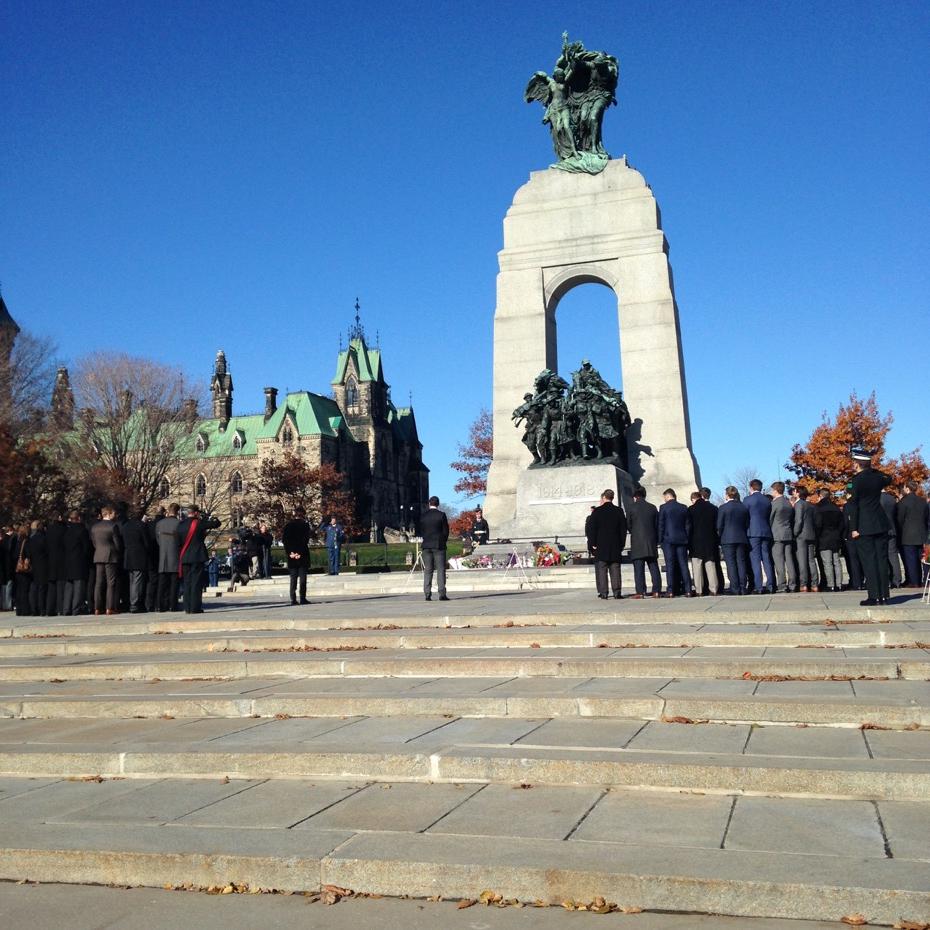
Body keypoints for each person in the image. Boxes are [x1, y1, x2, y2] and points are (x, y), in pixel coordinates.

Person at [848, 448, 893, 605]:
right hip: (880, 522)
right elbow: (889, 478)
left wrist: (853, 528)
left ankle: (873, 596)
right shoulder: (878, 477)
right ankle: (884, 595)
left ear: (858, 463)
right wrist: (871, 468)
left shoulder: (855, 480)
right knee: (881, 559)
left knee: (869, 560)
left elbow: (853, 505)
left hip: (863, 525)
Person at [176, 504, 221, 614]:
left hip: (185, 556)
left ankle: (187, 607)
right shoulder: (199, 523)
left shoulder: (180, 525)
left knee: (187, 582)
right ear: (196, 513)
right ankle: (195, 607)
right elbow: (217, 523)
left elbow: (178, 542)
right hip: (197, 556)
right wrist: (209, 516)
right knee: (196, 582)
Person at [586, 488, 627, 599]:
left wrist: (592, 544)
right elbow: (623, 529)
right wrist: (622, 543)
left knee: (602, 569)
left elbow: (591, 529)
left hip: (601, 545)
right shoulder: (619, 511)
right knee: (615, 569)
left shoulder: (597, 511)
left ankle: (604, 593)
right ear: (612, 498)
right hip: (615, 545)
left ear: (604, 497)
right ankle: (617, 592)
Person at [658, 488, 691, 597]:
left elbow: (661, 525)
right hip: (682, 540)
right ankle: (688, 589)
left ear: (667, 496)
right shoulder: (683, 507)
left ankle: (671, 590)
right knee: (683, 565)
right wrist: (686, 537)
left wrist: (660, 540)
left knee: (670, 565)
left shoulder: (663, 508)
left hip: (668, 540)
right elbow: (687, 525)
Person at [717, 486, 750, 595]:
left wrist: (720, 536)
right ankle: (742, 587)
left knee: (731, 564)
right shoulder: (743, 507)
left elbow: (719, 525)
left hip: (727, 538)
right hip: (741, 537)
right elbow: (747, 524)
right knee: (741, 562)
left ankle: (734, 587)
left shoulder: (722, 508)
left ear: (727, 495)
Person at [897, 480, 930, 588]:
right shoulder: (922, 501)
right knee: (923, 559)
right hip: (922, 533)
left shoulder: (903, 502)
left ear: (907, 488)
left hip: (908, 534)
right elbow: (926, 518)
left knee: (911, 560)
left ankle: (914, 581)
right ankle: (924, 579)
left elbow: (900, 519)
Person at [744, 479, 775, 594]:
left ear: (751, 487)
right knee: (766, 559)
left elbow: (745, 516)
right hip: (766, 531)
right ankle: (771, 585)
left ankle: (759, 586)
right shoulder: (767, 501)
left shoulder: (748, 500)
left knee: (755, 560)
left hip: (753, 532)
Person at [90, 506, 122, 616]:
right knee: (111, 582)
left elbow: (94, 543)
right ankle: (110, 607)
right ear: (108, 514)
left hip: (98, 555)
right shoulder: (113, 526)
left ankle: (97, 608)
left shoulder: (94, 527)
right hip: (111, 555)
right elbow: (117, 543)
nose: (115, 515)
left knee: (98, 583)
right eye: (113, 513)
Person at [813, 488, 846, 592]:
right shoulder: (836, 508)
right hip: (835, 537)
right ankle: (839, 584)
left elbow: (818, 525)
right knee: (836, 561)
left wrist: (817, 536)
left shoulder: (818, 508)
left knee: (827, 562)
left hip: (824, 537)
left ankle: (830, 584)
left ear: (821, 496)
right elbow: (842, 523)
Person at [688, 490, 719, 596]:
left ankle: (699, 590)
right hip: (710, 540)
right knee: (710, 565)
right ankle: (713, 589)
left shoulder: (691, 509)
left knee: (697, 567)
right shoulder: (713, 508)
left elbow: (689, 527)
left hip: (695, 541)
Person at [419, 496, 449, 601]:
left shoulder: (423, 516)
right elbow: (445, 531)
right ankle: (442, 593)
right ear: (438, 504)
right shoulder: (441, 515)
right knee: (440, 569)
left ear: (429, 503)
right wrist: (443, 541)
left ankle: (427, 593)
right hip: (438, 545)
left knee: (428, 570)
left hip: (426, 545)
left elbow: (421, 531)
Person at [769, 481, 797, 593]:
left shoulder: (775, 504)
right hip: (788, 533)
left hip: (777, 535)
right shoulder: (788, 503)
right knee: (789, 561)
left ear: (775, 490)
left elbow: (770, 519)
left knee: (779, 561)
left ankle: (782, 585)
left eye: (772, 490)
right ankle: (793, 584)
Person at [61, 511, 92, 615]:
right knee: (79, 586)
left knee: (69, 586)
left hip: (67, 561)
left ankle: (66, 608)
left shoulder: (67, 531)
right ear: (78, 518)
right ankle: (76, 608)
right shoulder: (82, 530)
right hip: (79, 561)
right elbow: (86, 548)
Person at [121, 508, 151, 613]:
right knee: (138, 581)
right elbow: (147, 543)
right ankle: (135, 603)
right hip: (139, 556)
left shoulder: (125, 526)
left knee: (132, 580)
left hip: (128, 555)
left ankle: (132, 601)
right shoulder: (141, 526)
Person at [792, 487, 819, 592]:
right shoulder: (810, 505)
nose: (793, 492)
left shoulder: (799, 504)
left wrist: (795, 533)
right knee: (811, 560)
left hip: (801, 536)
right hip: (811, 534)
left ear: (798, 493)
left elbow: (798, 521)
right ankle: (814, 584)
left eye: (795, 491)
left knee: (802, 561)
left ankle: (803, 584)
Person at [283, 507, 311, 605]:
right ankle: (302, 598)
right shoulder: (305, 525)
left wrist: (291, 553)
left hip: (292, 555)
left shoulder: (288, 526)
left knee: (293, 578)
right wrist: (299, 553)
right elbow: (304, 541)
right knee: (303, 578)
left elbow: (285, 541)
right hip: (302, 555)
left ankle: (293, 598)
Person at [156, 503, 181, 612]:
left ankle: (160, 605)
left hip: (163, 555)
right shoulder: (179, 524)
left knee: (162, 583)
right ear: (177, 512)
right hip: (175, 555)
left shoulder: (159, 524)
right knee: (174, 583)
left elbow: (158, 540)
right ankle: (172, 605)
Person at [880, 487, 902, 589]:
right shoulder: (892, 499)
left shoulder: (876, 499)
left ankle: (886, 580)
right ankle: (897, 580)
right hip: (892, 529)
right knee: (893, 555)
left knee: (882, 556)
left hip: (880, 530)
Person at [27, 520, 50, 616]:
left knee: (34, 588)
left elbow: (29, 553)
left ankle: (33, 609)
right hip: (43, 565)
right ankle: (42, 609)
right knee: (42, 589)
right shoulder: (44, 538)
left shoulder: (31, 539)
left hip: (34, 566)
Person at [45, 512, 66, 616]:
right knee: (60, 586)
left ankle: (49, 609)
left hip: (50, 560)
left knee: (51, 587)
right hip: (61, 559)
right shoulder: (63, 529)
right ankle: (60, 608)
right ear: (59, 517)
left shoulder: (48, 530)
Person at [13, 524, 32, 616]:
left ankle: (19, 609)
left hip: (17, 569)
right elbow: (28, 553)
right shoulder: (26, 541)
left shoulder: (17, 541)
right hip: (24, 569)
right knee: (25, 590)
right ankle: (25, 610)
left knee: (19, 590)